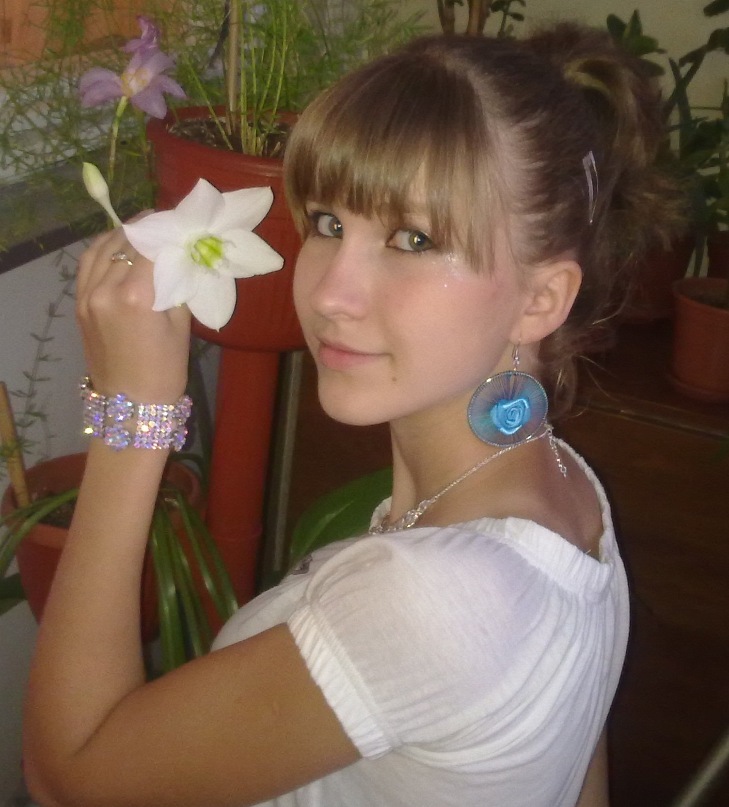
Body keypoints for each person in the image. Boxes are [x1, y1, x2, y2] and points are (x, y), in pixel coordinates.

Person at [23, 23, 684, 807]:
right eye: (329, 224)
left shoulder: (432, 600)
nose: (331, 292)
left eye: (412, 238)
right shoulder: (570, 492)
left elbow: (68, 780)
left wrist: (132, 420)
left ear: (540, 299)